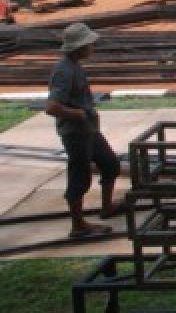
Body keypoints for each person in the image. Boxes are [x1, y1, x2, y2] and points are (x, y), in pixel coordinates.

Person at [45, 23, 124, 238]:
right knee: (80, 176)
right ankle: (78, 225)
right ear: (79, 47)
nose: (93, 47)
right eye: (89, 44)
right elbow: (52, 107)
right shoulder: (64, 71)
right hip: (76, 133)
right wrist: (79, 114)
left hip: (88, 129)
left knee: (110, 164)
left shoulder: (75, 66)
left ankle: (107, 207)